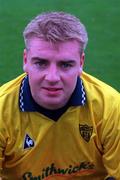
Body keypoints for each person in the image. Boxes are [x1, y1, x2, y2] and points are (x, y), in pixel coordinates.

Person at [0, 11, 120, 180]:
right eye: (41, 63)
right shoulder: (1, 109)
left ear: (81, 63)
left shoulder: (111, 107)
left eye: (65, 64)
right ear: (26, 60)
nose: (52, 78)